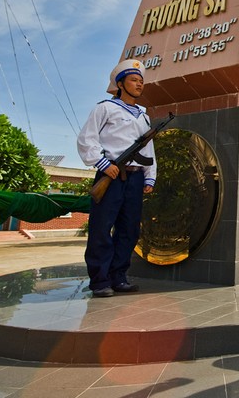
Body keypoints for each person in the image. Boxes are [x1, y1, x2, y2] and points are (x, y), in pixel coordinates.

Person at [77, 59, 156, 298]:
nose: (139, 85)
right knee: (102, 229)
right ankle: (100, 281)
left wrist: (149, 178)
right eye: (134, 80)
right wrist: (102, 163)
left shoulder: (144, 117)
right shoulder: (105, 108)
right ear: (120, 84)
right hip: (110, 175)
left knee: (128, 230)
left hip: (134, 179)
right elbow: (86, 139)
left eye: (141, 81)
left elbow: (148, 151)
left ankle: (118, 277)